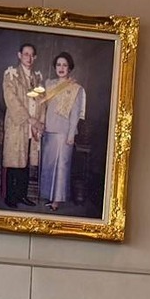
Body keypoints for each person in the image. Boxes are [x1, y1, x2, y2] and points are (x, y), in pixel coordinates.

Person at [37, 51, 86, 208]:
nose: (61, 68)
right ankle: (49, 196)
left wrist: (71, 135)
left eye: (64, 65)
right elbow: (42, 107)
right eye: (58, 65)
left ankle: (57, 201)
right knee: (49, 165)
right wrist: (40, 125)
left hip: (64, 132)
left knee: (61, 167)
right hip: (49, 130)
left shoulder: (76, 88)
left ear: (69, 68)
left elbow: (75, 113)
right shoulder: (49, 84)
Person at [0, 41, 42, 208]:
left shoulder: (37, 78)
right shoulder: (11, 75)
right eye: (26, 54)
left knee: (26, 161)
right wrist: (28, 118)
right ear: (19, 55)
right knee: (14, 161)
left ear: (35, 57)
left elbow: (42, 101)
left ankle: (22, 195)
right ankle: (10, 197)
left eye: (32, 55)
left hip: (32, 126)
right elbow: (11, 99)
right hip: (17, 125)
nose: (29, 58)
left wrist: (39, 122)